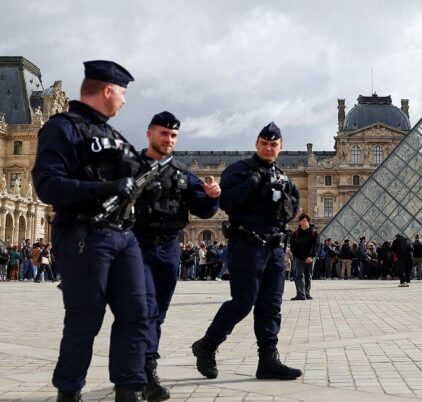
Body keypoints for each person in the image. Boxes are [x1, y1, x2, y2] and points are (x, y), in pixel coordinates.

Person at [32, 60, 149, 402]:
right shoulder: (62, 128)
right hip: (85, 233)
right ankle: (69, 392)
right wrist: (106, 187)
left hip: (123, 236)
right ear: (108, 91)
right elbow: (48, 185)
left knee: (136, 312)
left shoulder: (114, 136)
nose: (125, 101)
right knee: (85, 317)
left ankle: (128, 390)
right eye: (123, 93)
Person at [192, 122, 301, 381]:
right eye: (264, 143)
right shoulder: (238, 170)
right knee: (242, 302)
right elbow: (225, 202)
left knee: (271, 306)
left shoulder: (284, 178)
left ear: (280, 147)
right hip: (247, 245)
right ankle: (207, 345)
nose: (268, 147)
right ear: (257, 144)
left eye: (274, 144)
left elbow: (292, 209)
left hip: (274, 248)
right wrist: (251, 183)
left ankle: (268, 360)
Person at [132, 111, 221, 400]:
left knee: (157, 312)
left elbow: (204, 211)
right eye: (163, 133)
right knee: (145, 311)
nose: (168, 139)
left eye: (173, 135)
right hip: (137, 247)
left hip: (169, 249)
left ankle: (144, 369)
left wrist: (212, 195)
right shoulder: (130, 167)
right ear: (149, 133)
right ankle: (146, 372)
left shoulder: (183, 174)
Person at [289, 213, 318, 300]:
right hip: (299, 258)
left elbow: (316, 246)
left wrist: (311, 256)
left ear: (308, 221)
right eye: (301, 221)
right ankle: (300, 294)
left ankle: (307, 293)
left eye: (304, 221)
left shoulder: (314, 233)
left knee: (308, 276)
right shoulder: (296, 233)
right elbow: (292, 246)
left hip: (310, 258)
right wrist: (296, 255)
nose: (302, 222)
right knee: (298, 276)